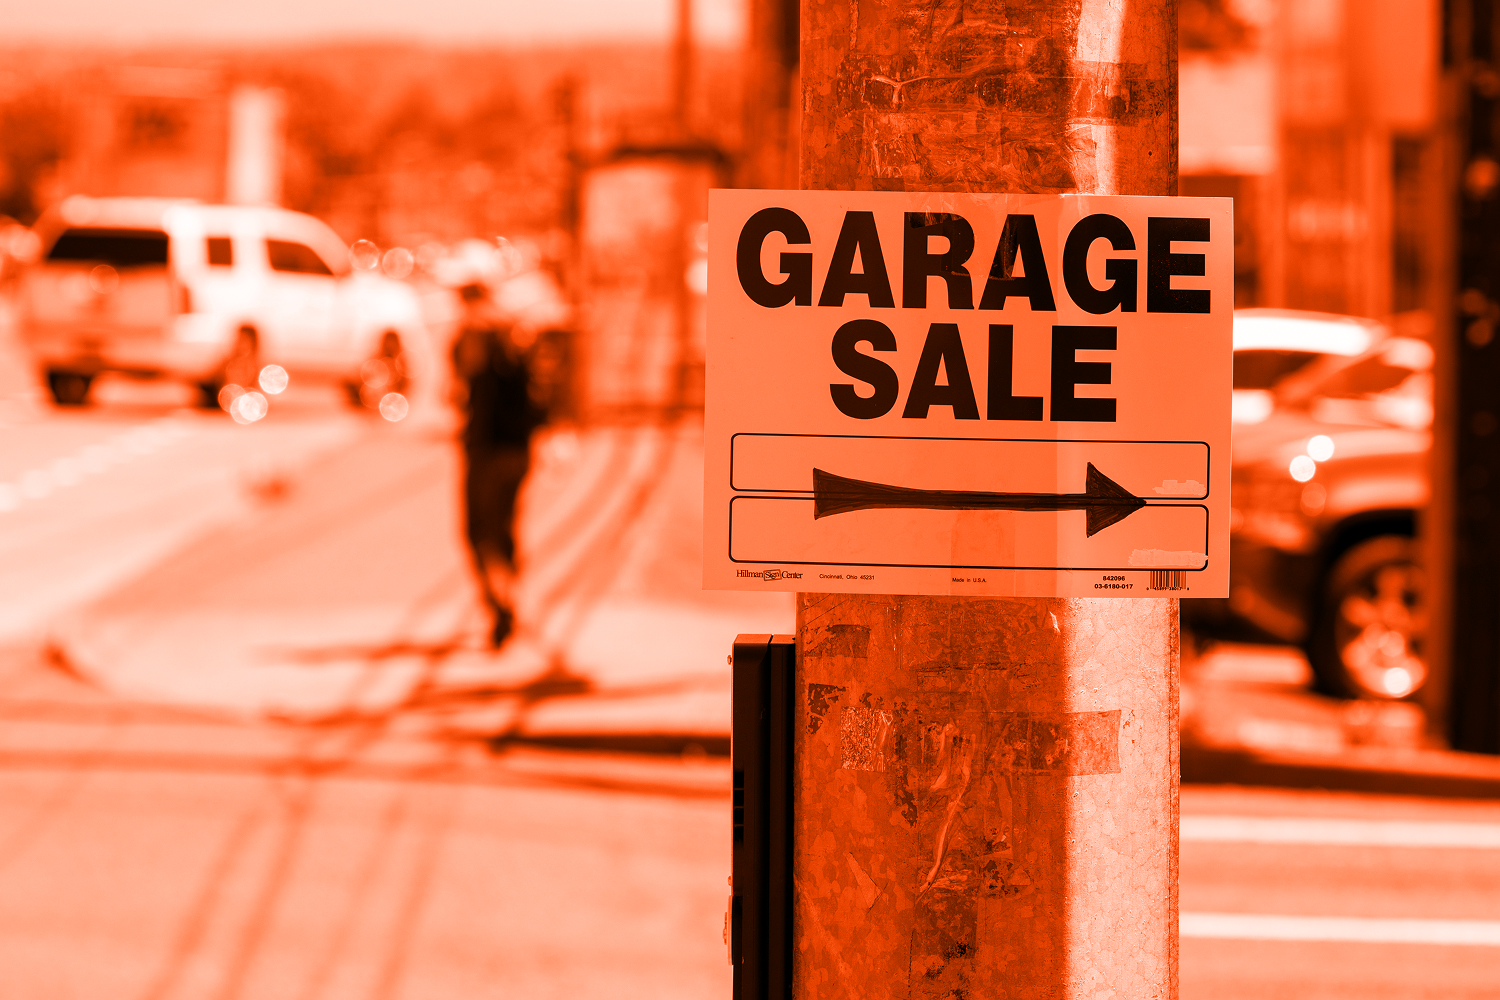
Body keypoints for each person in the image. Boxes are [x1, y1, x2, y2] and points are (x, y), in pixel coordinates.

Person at [451, 281, 546, 647]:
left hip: (486, 449)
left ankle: (500, 604)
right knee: (505, 526)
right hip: (519, 449)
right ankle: (510, 595)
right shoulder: (514, 329)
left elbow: (461, 387)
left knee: (477, 532)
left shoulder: (473, 334)